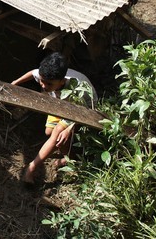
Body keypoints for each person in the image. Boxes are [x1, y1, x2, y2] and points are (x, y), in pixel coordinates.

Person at [11, 52, 96, 184]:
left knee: (58, 135)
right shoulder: (46, 74)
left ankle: (31, 168)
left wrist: (69, 128)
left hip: (81, 109)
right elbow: (32, 73)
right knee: (49, 132)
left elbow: (84, 111)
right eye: (42, 81)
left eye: (49, 84)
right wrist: (15, 83)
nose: (44, 86)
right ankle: (70, 158)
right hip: (60, 105)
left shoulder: (79, 89)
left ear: (62, 81)